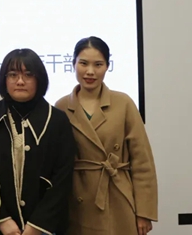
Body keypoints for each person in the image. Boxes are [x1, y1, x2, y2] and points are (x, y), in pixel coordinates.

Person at [55, 36, 158, 235]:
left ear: (107, 67)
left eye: (98, 64)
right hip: (76, 201)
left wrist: (144, 212)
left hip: (117, 196)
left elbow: (142, 163)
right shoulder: (61, 107)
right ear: (73, 64)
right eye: (83, 63)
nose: (90, 71)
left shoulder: (123, 103)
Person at [0, 49, 76, 235]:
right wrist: (2, 219)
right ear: (4, 79)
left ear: (39, 79)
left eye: (28, 75)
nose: (20, 81)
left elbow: (63, 178)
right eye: (13, 75)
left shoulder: (57, 120)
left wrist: (37, 226)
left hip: (46, 229)